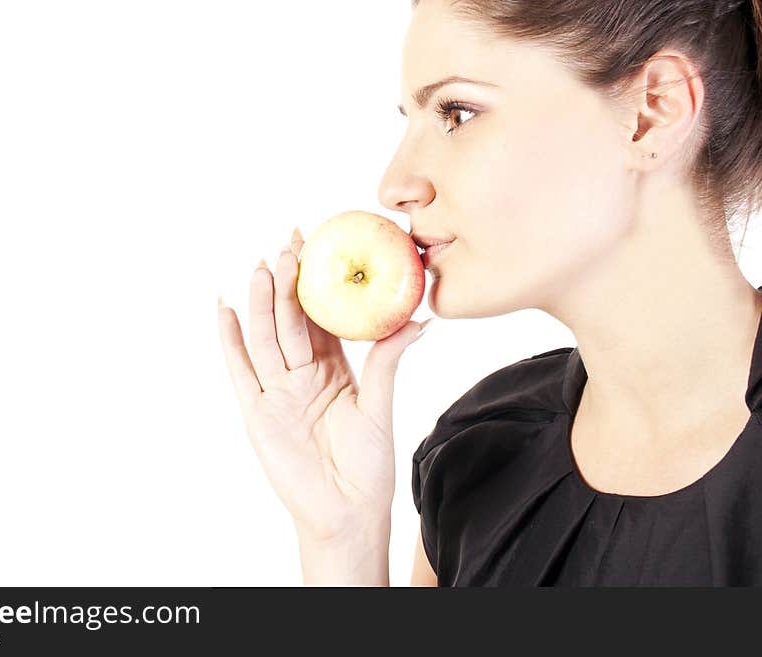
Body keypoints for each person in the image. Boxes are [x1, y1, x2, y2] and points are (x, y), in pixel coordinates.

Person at [217, 0, 762, 586]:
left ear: (651, 113)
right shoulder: (476, 458)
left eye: (457, 113)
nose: (395, 185)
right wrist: (341, 538)